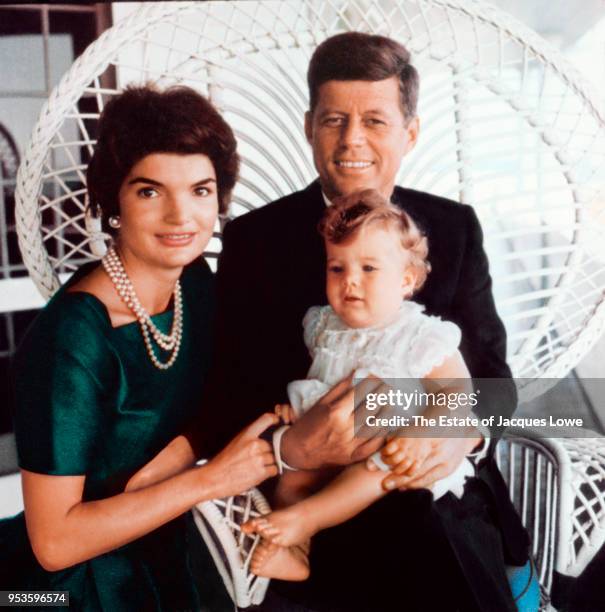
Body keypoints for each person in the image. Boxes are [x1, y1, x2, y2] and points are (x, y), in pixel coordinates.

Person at [192, 32, 531, 611]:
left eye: (375, 120)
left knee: (434, 539)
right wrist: (294, 449)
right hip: (312, 502)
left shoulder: (453, 229)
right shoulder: (253, 242)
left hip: (435, 492)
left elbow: (497, 384)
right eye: (333, 120)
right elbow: (225, 397)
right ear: (308, 127)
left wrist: (456, 435)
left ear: (411, 132)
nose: (352, 140)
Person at [0, 84, 278, 610]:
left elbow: (225, 394)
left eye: (200, 190)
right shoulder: (73, 341)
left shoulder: (192, 282)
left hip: (164, 552)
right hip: (58, 591)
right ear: (113, 203)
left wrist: (185, 452)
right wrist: (208, 481)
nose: (182, 217)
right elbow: (54, 544)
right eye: (150, 191)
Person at [243, 189, 480, 580]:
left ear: (406, 280)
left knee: (378, 460)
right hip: (332, 442)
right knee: (292, 477)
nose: (350, 281)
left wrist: (424, 433)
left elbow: (457, 393)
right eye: (337, 268)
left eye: (369, 269)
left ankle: (308, 520)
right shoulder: (323, 326)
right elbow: (323, 383)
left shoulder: (418, 335)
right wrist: (296, 408)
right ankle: (298, 552)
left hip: (391, 447)